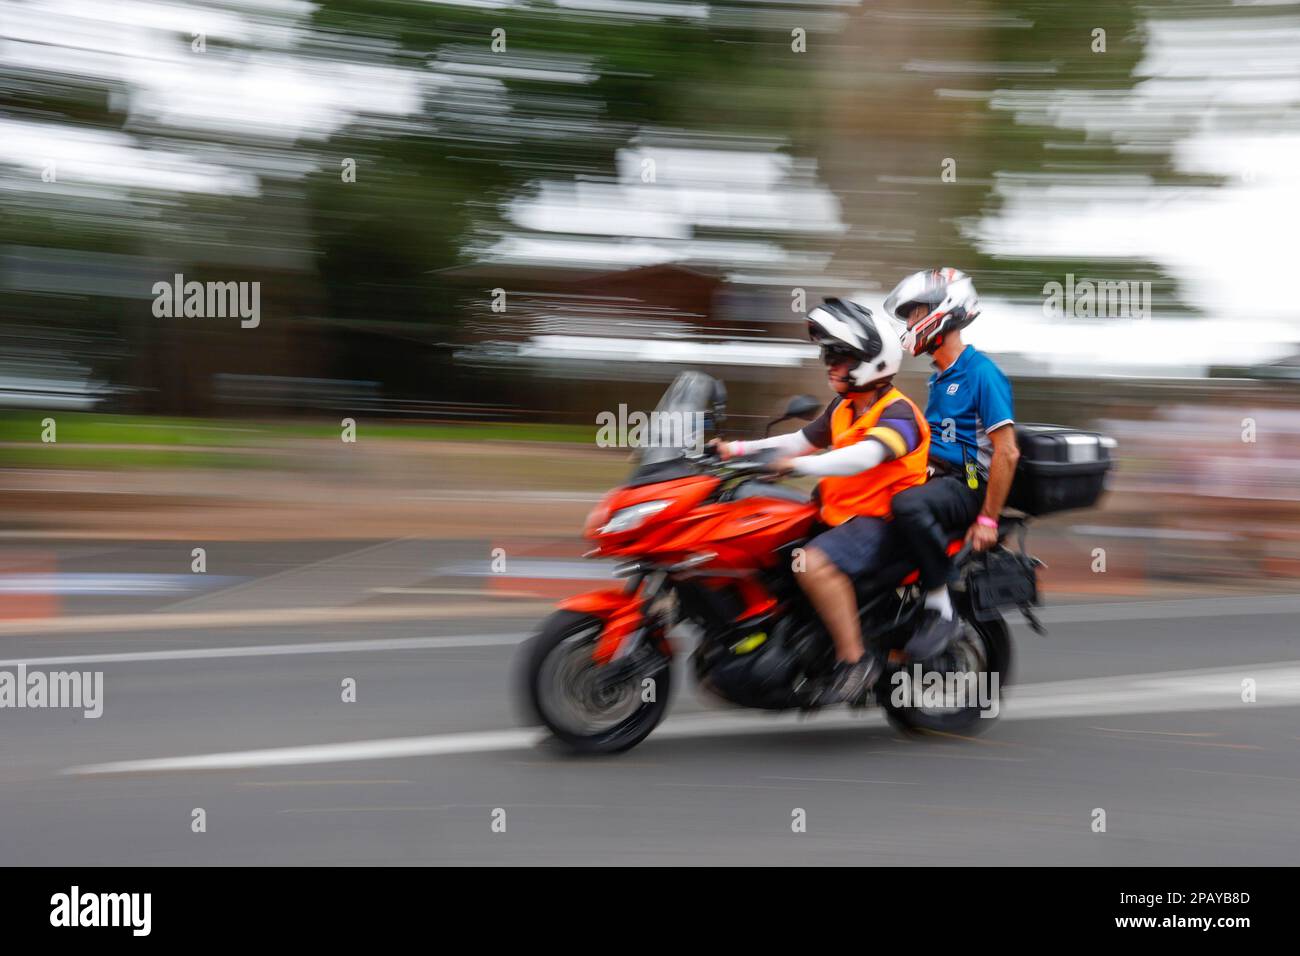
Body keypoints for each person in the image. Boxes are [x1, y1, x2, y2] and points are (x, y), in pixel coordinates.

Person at [713, 296, 929, 703]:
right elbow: (799, 440)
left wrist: (795, 467)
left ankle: (854, 659)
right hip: (839, 517)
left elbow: (865, 456)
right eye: (828, 354)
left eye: (840, 355)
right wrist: (734, 451)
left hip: (882, 525)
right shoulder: (845, 406)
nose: (830, 363)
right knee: (764, 539)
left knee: (811, 563)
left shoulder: (899, 413)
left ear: (872, 359)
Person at [882, 268, 1019, 660]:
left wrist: (988, 518)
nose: (909, 323)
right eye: (907, 316)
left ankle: (940, 605)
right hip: (939, 475)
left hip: (970, 478)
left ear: (944, 311)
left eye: (914, 313)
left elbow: (1007, 451)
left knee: (908, 506)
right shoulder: (940, 377)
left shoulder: (981, 373)